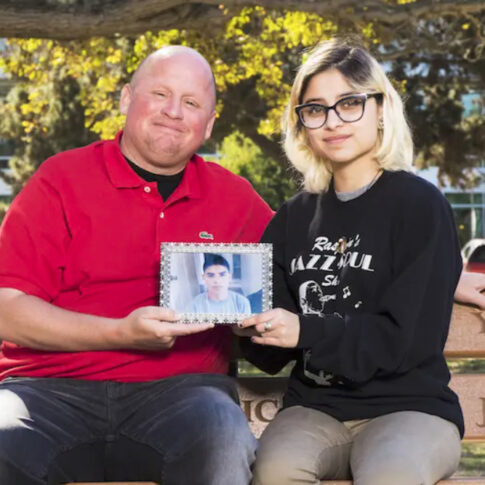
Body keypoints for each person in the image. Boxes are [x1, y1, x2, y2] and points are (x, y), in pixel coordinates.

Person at [0, 46, 273, 485]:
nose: (173, 112)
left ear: (209, 124)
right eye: (160, 93)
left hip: (185, 397)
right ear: (127, 99)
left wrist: (253, 322)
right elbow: (6, 310)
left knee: (223, 435)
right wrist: (120, 333)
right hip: (46, 391)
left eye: (191, 102)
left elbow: (286, 291)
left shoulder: (237, 200)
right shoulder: (59, 180)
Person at [238, 38, 463, 485]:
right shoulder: (293, 217)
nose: (333, 121)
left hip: (410, 408)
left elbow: (407, 341)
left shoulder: (420, 205)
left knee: (388, 475)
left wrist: (304, 329)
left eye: (349, 103)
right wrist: (240, 319)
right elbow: (267, 351)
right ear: (302, 123)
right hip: (316, 409)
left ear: (380, 108)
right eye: (316, 109)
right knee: (274, 470)